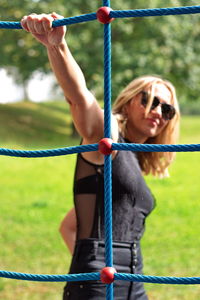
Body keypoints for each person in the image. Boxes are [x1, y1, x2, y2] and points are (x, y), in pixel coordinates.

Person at [21, 13, 180, 300]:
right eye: (148, 100)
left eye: (166, 109)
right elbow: (80, 97)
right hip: (98, 286)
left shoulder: (133, 157)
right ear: (129, 101)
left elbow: (70, 226)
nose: (157, 111)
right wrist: (56, 45)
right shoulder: (107, 138)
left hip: (132, 282)